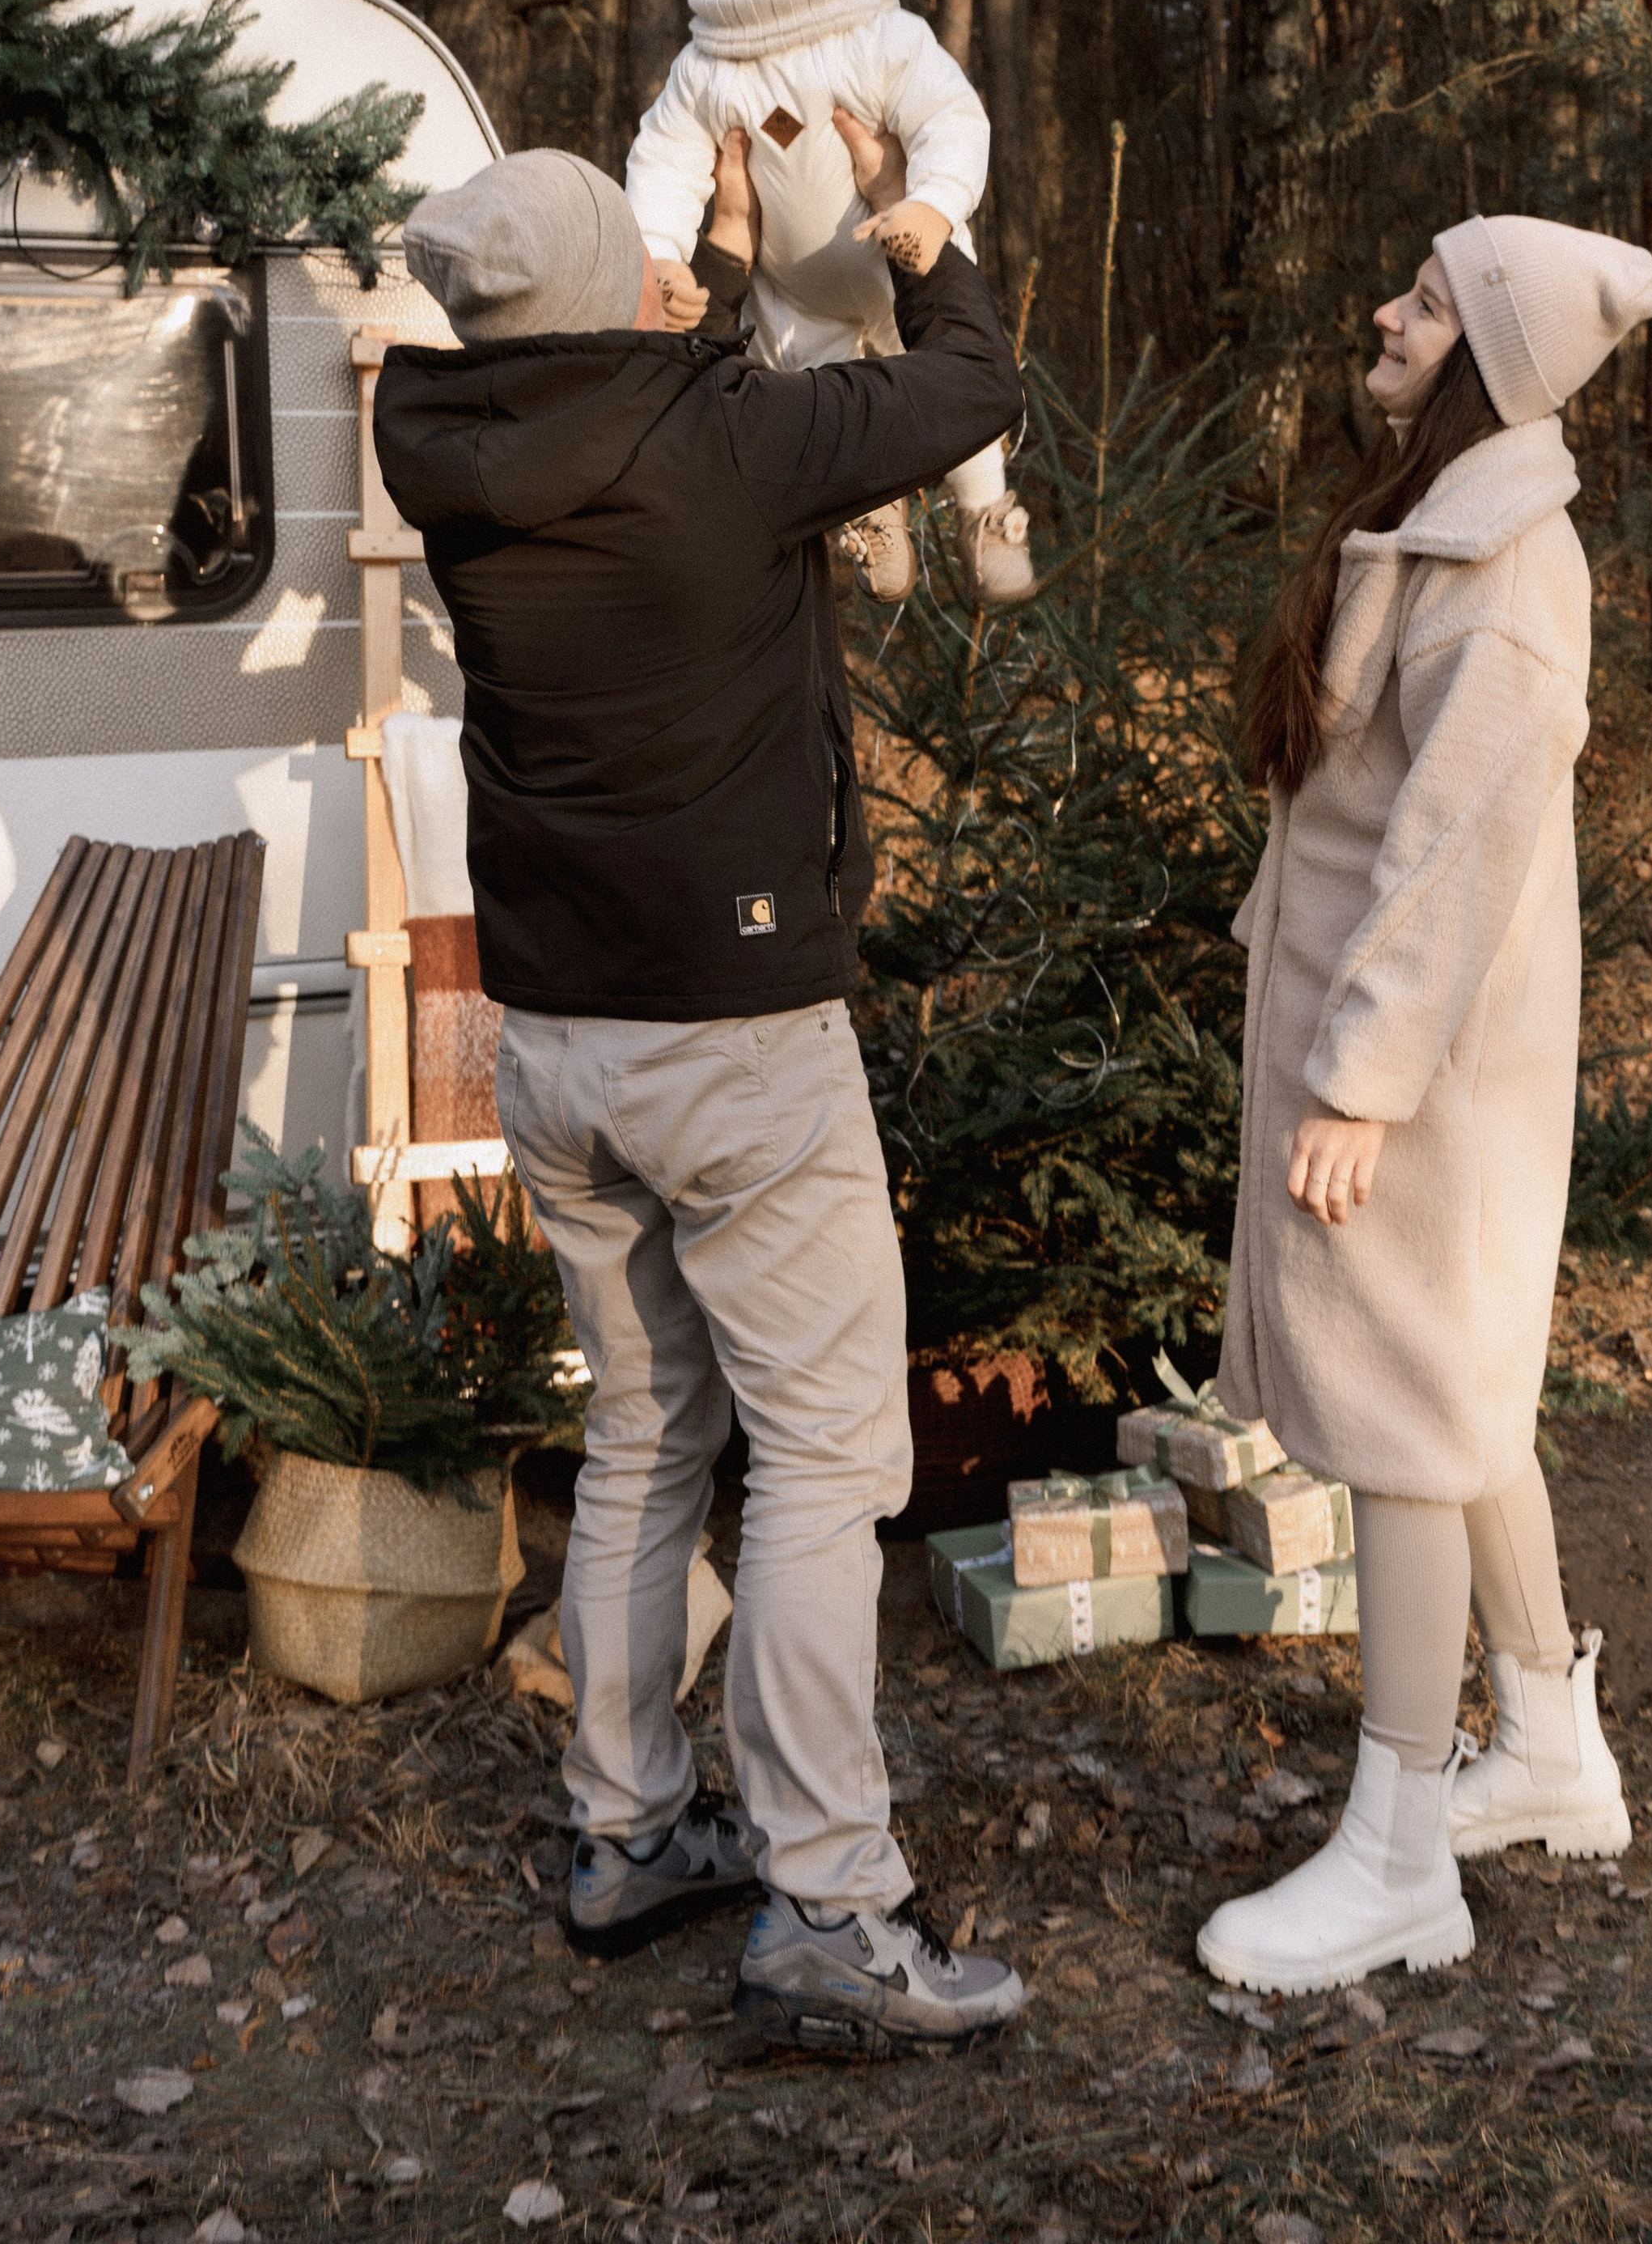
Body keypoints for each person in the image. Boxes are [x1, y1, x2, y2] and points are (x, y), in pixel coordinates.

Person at [371, 136, 1029, 2055]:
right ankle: (827, 1900)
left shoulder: (448, 441)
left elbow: (630, 384)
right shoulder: (728, 443)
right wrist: (925, 238)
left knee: (647, 1432)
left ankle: (626, 1830)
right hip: (735, 1038)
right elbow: (966, 389)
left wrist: (713, 266)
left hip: (556, 1038)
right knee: (826, 1456)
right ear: (608, 293)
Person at [1198, 211, 1652, 1999]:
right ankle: (1545, 1741)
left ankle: (1398, 1857)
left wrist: (1364, 1081)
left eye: (1421, 303)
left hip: (1419, 1073)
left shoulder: (1507, 571)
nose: (1386, 316)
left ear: (1486, 353)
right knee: (1460, 1388)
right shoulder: (1442, 511)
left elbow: (1455, 842)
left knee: (1406, 1418)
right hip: (1384, 1044)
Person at [625, 0, 1036, 609]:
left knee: (949, 375)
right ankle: (871, 510)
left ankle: (986, 513)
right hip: (794, 287)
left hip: (897, 256)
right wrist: (660, 250)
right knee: (823, 397)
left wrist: (933, 203)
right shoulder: (705, 65)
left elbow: (952, 119)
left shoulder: (876, 38)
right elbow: (664, 158)